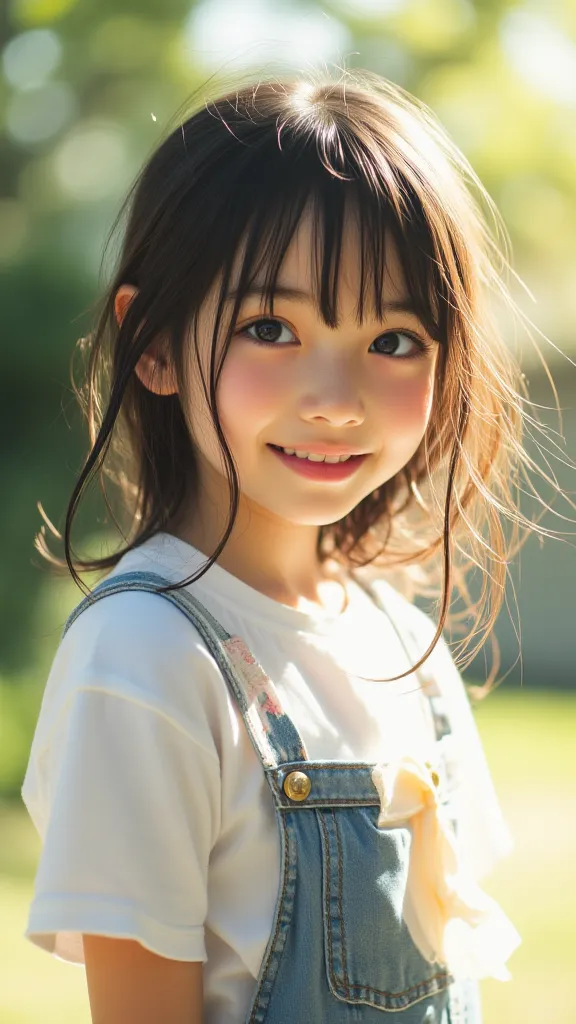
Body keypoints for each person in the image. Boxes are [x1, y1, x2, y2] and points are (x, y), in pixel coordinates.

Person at [25, 68, 561, 1023]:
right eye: (271, 327)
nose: (338, 397)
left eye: (394, 339)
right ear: (150, 344)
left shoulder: (409, 645)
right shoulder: (145, 658)